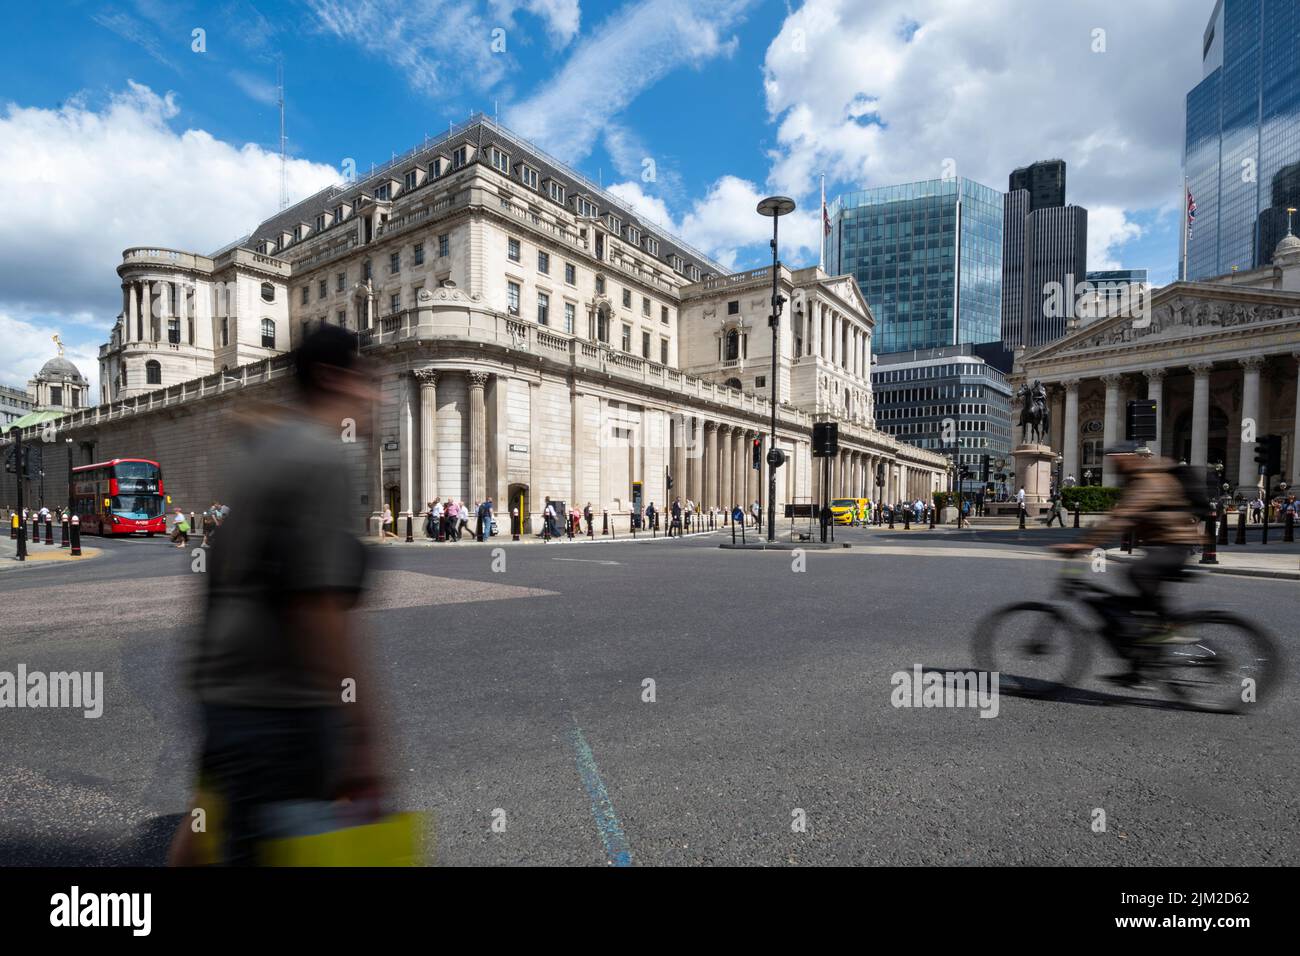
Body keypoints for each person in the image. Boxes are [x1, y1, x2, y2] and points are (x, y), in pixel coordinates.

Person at [176, 325, 383, 866]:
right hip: (281, 704)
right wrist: (361, 737)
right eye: (365, 380)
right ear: (331, 377)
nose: (374, 395)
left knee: (209, 832)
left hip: (224, 688)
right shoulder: (319, 459)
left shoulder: (259, 453)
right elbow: (320, 610)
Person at [1052, 447, 1202, 685]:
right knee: (1131, 606)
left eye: (1116, 461)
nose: (1113, 466)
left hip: (1174, 545)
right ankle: (1140, 664)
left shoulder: (1147, 480)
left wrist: (1082, 545)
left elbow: (1124, 517)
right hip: (1164, 544)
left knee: (1137, 572)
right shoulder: (1136, 480)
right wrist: (1090, 537)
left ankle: (1172, 626)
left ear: (1128, 460)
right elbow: (1118, 516)